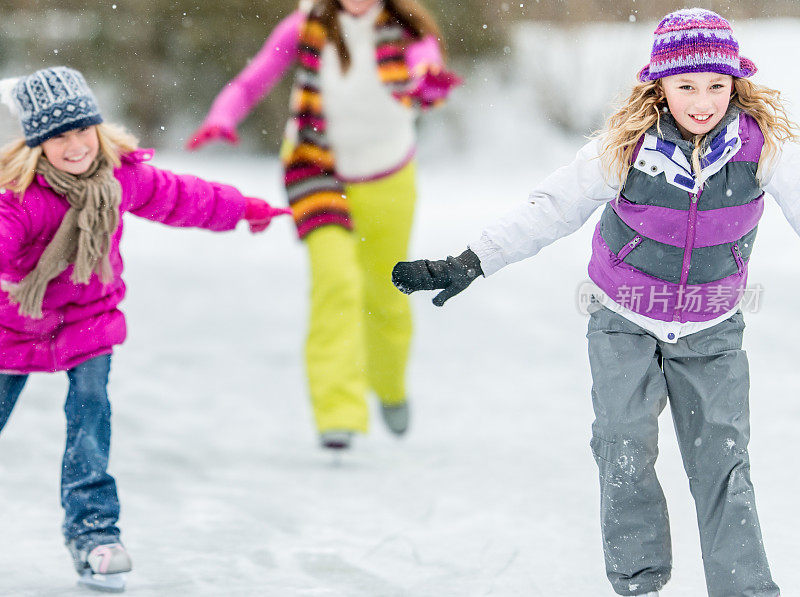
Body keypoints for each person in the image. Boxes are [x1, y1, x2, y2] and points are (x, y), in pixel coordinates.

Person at [392, 9, 797, 597]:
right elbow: (550, 207)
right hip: (623, 322)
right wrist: (471, 259)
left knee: (724, 469)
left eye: (716, 85)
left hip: (713, 331)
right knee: (623, 447)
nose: (703, 101)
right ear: (659, 85)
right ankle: (638, 585)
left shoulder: (764, 148)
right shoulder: (626, 145)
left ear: (736, 81)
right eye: (686, 86)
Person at [0, 66, 290, 592]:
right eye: (58, 136)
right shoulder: (18, 197)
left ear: (97, 127)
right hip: (15, 324)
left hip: (88, 320)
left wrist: (243, 208)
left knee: (90, 418)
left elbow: (181, 196)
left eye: (81, 129)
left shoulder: (117, 177)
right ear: (36, 143)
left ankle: (95, 534)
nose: (74, 146)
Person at [188, 0, 460, 450]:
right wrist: (222, 114)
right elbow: (253, 79)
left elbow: (424, 69)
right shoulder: (306, 24)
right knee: (336, 282)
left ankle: (389, 386)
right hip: (316, 168)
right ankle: (339, 413)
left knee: (386, 291)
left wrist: (428, 84)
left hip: (388, 175)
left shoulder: (409, 31)